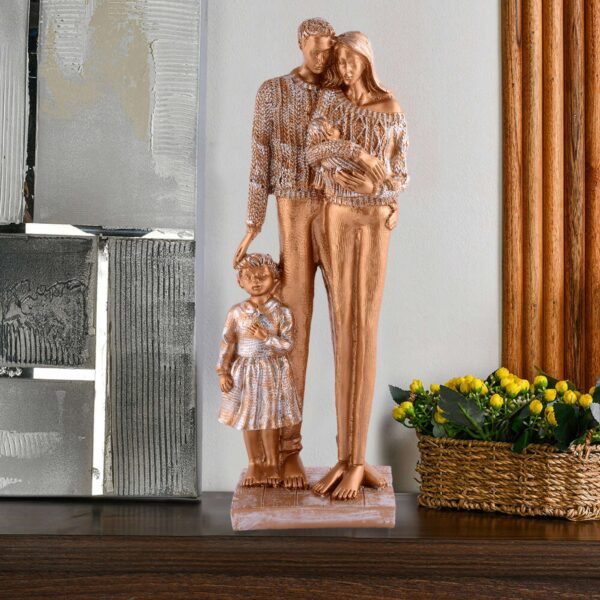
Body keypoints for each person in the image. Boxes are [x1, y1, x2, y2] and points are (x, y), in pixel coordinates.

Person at [232, 18, 341, 490]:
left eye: (327, 49)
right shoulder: (273, 91)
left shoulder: (343, 89)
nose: (321, 57)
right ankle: (287, 449)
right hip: (293, 209)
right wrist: (252, 223)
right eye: (314, 48)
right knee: (291, 333)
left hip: (340, 209)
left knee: (347, 327)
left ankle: (350, 455)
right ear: (300, 43)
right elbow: (260, 158)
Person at [307, 31, 409, 500]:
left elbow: (400, 172)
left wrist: (376, 186)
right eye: (340, 62)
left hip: (374, 219)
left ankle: (357, 460)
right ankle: (344, 458)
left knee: (364, 327)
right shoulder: (330, 103)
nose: (345, 69)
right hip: (337, 215)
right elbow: (312, 153)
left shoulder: (389, 108)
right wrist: (357, 155)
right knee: (340, 326)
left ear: (367, 61)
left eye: (352, 61)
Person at [217, 254, 301, 487]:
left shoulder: (282, 312)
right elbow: (228, 342)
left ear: (275, 280)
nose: (255, 281)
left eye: (262, 277)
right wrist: (223, 371)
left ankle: (272, 463)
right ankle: (255, 463)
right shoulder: (236, 312)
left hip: (272, 371)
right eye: (249, 277)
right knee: (249, 418)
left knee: (270, 418)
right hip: (245, 372)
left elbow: (287, 345)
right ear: (240, 281)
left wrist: (266, 338)